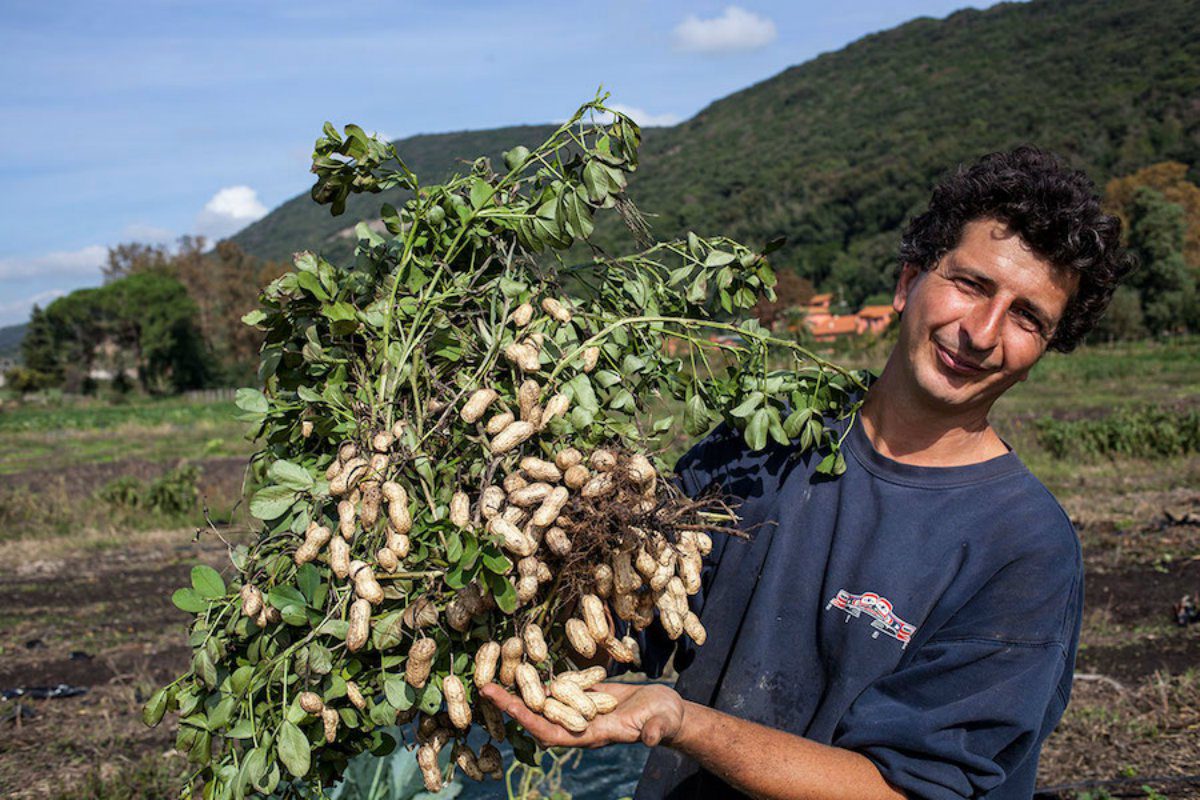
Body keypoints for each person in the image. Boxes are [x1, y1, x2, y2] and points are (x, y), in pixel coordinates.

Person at [483, 147, 1135, 799]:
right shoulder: (766, 440)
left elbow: (905, 792)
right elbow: (630, 625)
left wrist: (683, 722)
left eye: (1028, 318)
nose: (984, 332)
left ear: (1042, 352)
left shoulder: (1023, 550)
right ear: (908, 282)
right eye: (971, 284)